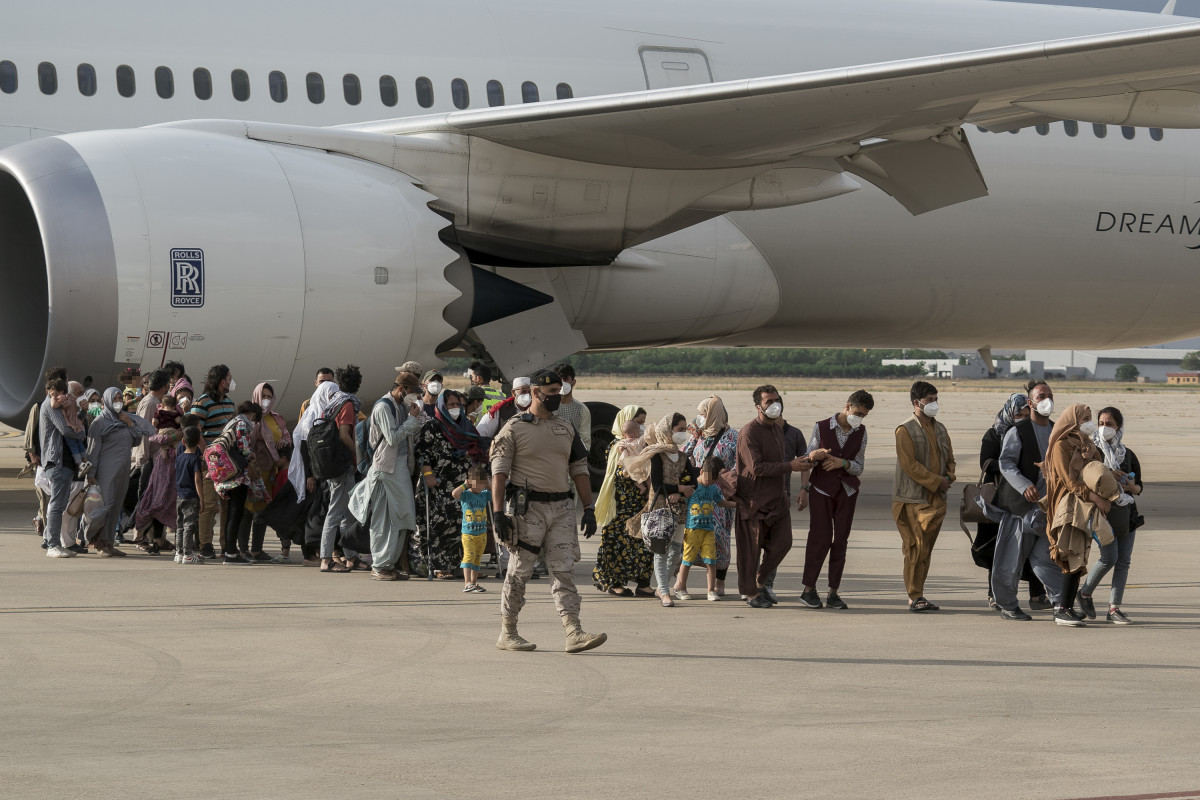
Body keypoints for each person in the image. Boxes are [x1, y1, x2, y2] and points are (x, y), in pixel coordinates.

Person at [490, 369, 605, 653]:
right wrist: (497, 513)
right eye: (552, 392)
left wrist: (588, 507)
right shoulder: (514, 428)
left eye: (560, 391)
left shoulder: (565, 428)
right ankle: (508, 630)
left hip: (563, 509)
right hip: (528, 510)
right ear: (537, 393)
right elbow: (499, 473)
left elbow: (579, 469)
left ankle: (573, 631)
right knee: (520, 571)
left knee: (564, 570)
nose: (558, 397)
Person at [991, 381, 1065, 620]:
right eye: (1042, 396)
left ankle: (1061, 603)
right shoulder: (1018, 431)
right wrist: (1024, 486)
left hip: (1047, 510)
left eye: (1050, 395)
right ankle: (1008, 605)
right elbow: (1006, 463)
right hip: (1021, 509)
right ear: (1030, 401)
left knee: (1046, 558)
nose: (1047, 400)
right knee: (1010, 559)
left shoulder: (1057, 431)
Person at [732, 385, 809, 608]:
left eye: (777, 399)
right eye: (769, 401)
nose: (775, 404)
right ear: (758, 407)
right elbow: (757, 468)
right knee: (751, 550)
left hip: (777, 500)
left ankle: (760, 580)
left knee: (783, 543)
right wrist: (790, 466)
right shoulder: (749, 432)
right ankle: (751, 593)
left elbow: (780, 463)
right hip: (754, 500)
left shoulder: (777, 429)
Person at [800, 389, 874, 610]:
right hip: (822, 489)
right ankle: (809, 589)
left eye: (864, 416)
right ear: (848, 405)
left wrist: (842, 463)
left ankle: (833, 591)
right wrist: (815, 457)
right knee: (819, 538)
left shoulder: (861, 433)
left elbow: (859, 466)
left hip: (847, 491)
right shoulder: (821, 427)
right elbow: (808, 458)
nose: (859, 418)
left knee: (840, 541)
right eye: (858, 413)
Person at [348, 378, 423, 581]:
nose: (415, 398)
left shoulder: (401, 406)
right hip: (384, 470)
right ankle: (380, 566)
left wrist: (414, 418)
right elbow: (391, 438)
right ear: (401, 389)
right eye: (413, 393)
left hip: (399, 470)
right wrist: (412, 420)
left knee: (403, 517)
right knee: (383, 520)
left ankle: (389, 564)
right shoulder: (383, 406)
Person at [978, 393, 1047, 610]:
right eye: (1019, 414)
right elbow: (986, 463)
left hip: (1029, 498)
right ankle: (995, 595)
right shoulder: (994, 434)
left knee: (1035, 545)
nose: (1023, 418)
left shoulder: (1032, 433)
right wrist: (1013, 467)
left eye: (1026, 414)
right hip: (1002, 500)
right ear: (1009, 412)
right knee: (1000, 550)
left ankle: (1037, 595)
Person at [1043, 403, 1109, 627]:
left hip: (1084, 505)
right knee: (1071, 554)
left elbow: (1098, 467)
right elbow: (1068, 480)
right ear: (1073, 420)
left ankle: (1068, 607)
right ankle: (1062, 609)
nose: (1090, 422)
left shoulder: (1086, 443)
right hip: (1068, 505)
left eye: (1090, 417)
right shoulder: (1061, 445)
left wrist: (1090, 454)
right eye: (1086, 418)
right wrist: (1095, 498)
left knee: (1079, 557)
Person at [892, 381, 956, 613]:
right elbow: (910, 465)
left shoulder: (940, 429)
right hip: (912, 499)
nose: (934, 404)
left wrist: (949, 476)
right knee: (914, 548)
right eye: (930, 400)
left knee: (925, 551)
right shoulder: (905, 429)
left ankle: (919, 593)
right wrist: (936, 481)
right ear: (916, 402)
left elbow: (950, 458)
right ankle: (914, 595)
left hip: (936, 499)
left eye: (935, 399)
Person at [1077, 407, 1143, 624]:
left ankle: (1114, 608)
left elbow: (1139, 488)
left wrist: (1131, 486)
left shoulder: (1128, 454)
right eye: (1102, 423)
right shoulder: (1091, 451)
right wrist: (1108, 475)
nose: (1105, 427)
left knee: (1123, 562)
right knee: (1109, 558)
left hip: (1127, 514)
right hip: (1101, 514)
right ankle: (1085, 592)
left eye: (1110, 424)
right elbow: (1084, 479)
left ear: (1119, 427)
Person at [412, 389, 487, 578]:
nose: (455, 408)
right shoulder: (433, 427)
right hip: (439, 485)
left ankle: (463, 566)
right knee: (441, 526)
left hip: (464, 485)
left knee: (464, 526)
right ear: (443, 407)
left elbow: (477, 449)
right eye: (451, 405)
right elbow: (422, 453)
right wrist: (428, 475)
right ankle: (440, 566)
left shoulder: (466, 426)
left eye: (458, 405)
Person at [626, 413, 695, 607]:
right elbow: (656, 484)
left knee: (676, 551)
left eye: (684, 430)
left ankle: (661, 587)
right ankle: (664, 591)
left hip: (679, 509)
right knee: (660, 551)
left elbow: (693, 481)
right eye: (679, 429)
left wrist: (680, 494)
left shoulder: (683, 456)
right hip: (660, 508)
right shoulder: (656, 455)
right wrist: (680, 488)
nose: (683, 434)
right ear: (668, 430)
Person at [593, 405, 656, 597]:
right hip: (621, 505)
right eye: (638, 423)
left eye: (643, 423)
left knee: (645, 543)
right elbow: (619, 472)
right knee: (616, 544)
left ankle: (643, 583)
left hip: (641, 503)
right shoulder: (616, 446)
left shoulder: (642, 444)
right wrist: (635, 472)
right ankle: (615, 582)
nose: (642, 428)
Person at [83, 388, 155, 556]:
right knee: (104, 507)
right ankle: (91, 537)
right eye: (114, 398)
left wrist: (130, 423)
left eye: (119, 397)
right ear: (107, 400)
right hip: (105, 470)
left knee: (116, 506)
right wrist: (91, 473)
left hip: (123, 469)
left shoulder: (125, 419)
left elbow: (137, 440)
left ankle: (108, 543)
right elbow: (93, 450)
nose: (118, 400)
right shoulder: (99, 423)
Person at [683, 396, 738, 597]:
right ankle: (683, 581)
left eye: (704, 413)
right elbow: (683, 455)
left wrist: (724, 478)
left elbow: (739, 464)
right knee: (695, 536)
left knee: (720, 538)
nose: (700, 417)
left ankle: (719, 582)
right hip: (699, 495)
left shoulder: (733, 436)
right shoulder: (698, 435)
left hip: (719, 495)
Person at [317, 365, 365, 573]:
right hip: (342, 464)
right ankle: (326, 559)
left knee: (347, 513)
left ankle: (351, 557)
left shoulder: (333, 401)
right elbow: (345, 435)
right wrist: (358, 455)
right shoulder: (346, 405)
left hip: (333, 462)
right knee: (336, 513)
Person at [191, 365, 237, 559]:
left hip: (228, 463)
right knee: (208, 505)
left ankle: (226, 544)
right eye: (229, 377)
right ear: (221, 381)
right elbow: (194, 431)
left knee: (226, 505)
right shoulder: (202, 402)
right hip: (209, 462)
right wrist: (206, 455)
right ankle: (205, 544)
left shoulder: (229, 403)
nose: (231, 381)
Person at [213, 401, 268, 564]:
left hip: (228, 474)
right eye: (255, 418)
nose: (255, 422)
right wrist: (251, 455)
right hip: (238, 475)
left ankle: (230, 550)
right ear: (252, 413)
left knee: (231, 513)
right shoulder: (242, 423)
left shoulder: (231, 422)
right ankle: (231, 553)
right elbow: (243, 447)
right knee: (236, 514)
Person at [675, 456, 736, 602]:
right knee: (687, 559)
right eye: (708, 480)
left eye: (713, 481)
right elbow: (682, 503)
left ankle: (710, 590)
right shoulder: (692, 486)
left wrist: (737, 504)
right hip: (692, 529)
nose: (709, 483)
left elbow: (720, 503)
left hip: (708, 529)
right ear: (701, 471)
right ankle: (681, 588)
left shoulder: (713, 487)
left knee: (711, 559)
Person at [245, 382, 293, 562]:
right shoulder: (251, 419)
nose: (266, 400)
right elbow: (246, 442)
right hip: (255, 471)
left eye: (269, 396)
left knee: (262, 513)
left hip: (272, 472)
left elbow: (286, 435)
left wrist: (283, 442)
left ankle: (256, 549)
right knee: (248, 512)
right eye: (263, 396)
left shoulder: (276, 418)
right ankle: (242, 549)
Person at [39, 376, 87, 557]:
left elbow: (71, 422)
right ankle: (52, 545)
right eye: (58, 392)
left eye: (63, 392)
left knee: (59, 505)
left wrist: (80, 415)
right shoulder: (50, 407)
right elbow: (66, 429)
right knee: (57, 505)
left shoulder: (60, 407)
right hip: (57, 461)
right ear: (49, 391)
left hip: (64, 462)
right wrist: (81, 431)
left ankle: (56, 543)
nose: (61, 396)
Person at [132, 368, 171, 551]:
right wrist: (142, 460)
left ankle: (157, 538)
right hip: (149, 460)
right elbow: (143, 434)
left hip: (158, 461)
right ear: (165, 385)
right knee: (146, 500)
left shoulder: (157, 402)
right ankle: (140, 538)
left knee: (158, 500)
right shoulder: (149, 403)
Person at [453, 464, 492, 593]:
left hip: (482, 533)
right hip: (468, 533)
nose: (481, 487)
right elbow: (454, 493)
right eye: (478, 484)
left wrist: (488, 483)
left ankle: (474, 583)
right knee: (468, 556)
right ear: (470, 482)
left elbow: (496, 492)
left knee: (477, 558)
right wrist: (465, 485)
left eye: (482, 484)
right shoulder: (466, 494)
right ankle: (467, 582)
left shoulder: (484, 494)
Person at [175, 426, 205, 564]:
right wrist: (201, 498)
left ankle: (179, 552)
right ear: (199, 442)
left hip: (180, 495)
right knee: (189, 525)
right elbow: (197, 479)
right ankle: (187, 553)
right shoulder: (195, 460)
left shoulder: (180, 457)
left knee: (180, 525)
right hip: (191, 495)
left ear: (183, 441)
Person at [552, 363, 591, 449]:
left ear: (573, 382)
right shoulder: (548, 407)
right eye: (559, 380)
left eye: (566, 379)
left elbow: (585, 440)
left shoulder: (582, 409)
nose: (562, 383)